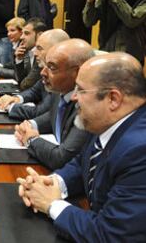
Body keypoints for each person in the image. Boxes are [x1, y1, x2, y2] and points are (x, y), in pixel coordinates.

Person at [17, 53, 146, 241]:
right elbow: (83, 163)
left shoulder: (139, 149)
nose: (74, 97)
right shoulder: (109, 122)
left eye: (81, 90)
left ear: (113, 99)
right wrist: (52, 183)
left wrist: (51, 204)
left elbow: (110, 234)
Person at [14, 39, 94, 170]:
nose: (43, 73)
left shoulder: (89, 104)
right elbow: (53, 116)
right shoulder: (60, 90)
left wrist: (31, 139)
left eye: (51, 68)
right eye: (45, 65)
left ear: (78, 73)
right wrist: (30, 125)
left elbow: (60, 158)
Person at [0, 29, 69, 121]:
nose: (34, 53)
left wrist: (10, 106)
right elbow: (35, 91)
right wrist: (17, 98)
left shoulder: (62, 76)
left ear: (55, 49)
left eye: (39, 49)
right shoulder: (46, 69)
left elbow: (39, 112)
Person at [82, 0, 146, 64]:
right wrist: (90, 2)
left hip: (131, 58)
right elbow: (88, 21)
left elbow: (132, 20)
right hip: (106, 53)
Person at [0, 18, 46, 90]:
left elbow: (25, 84)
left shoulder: (42, 55)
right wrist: (19, 59)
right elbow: (21, 79)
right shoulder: (27, 49)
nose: (22, 37)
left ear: (39, 35)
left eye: (26, 33)